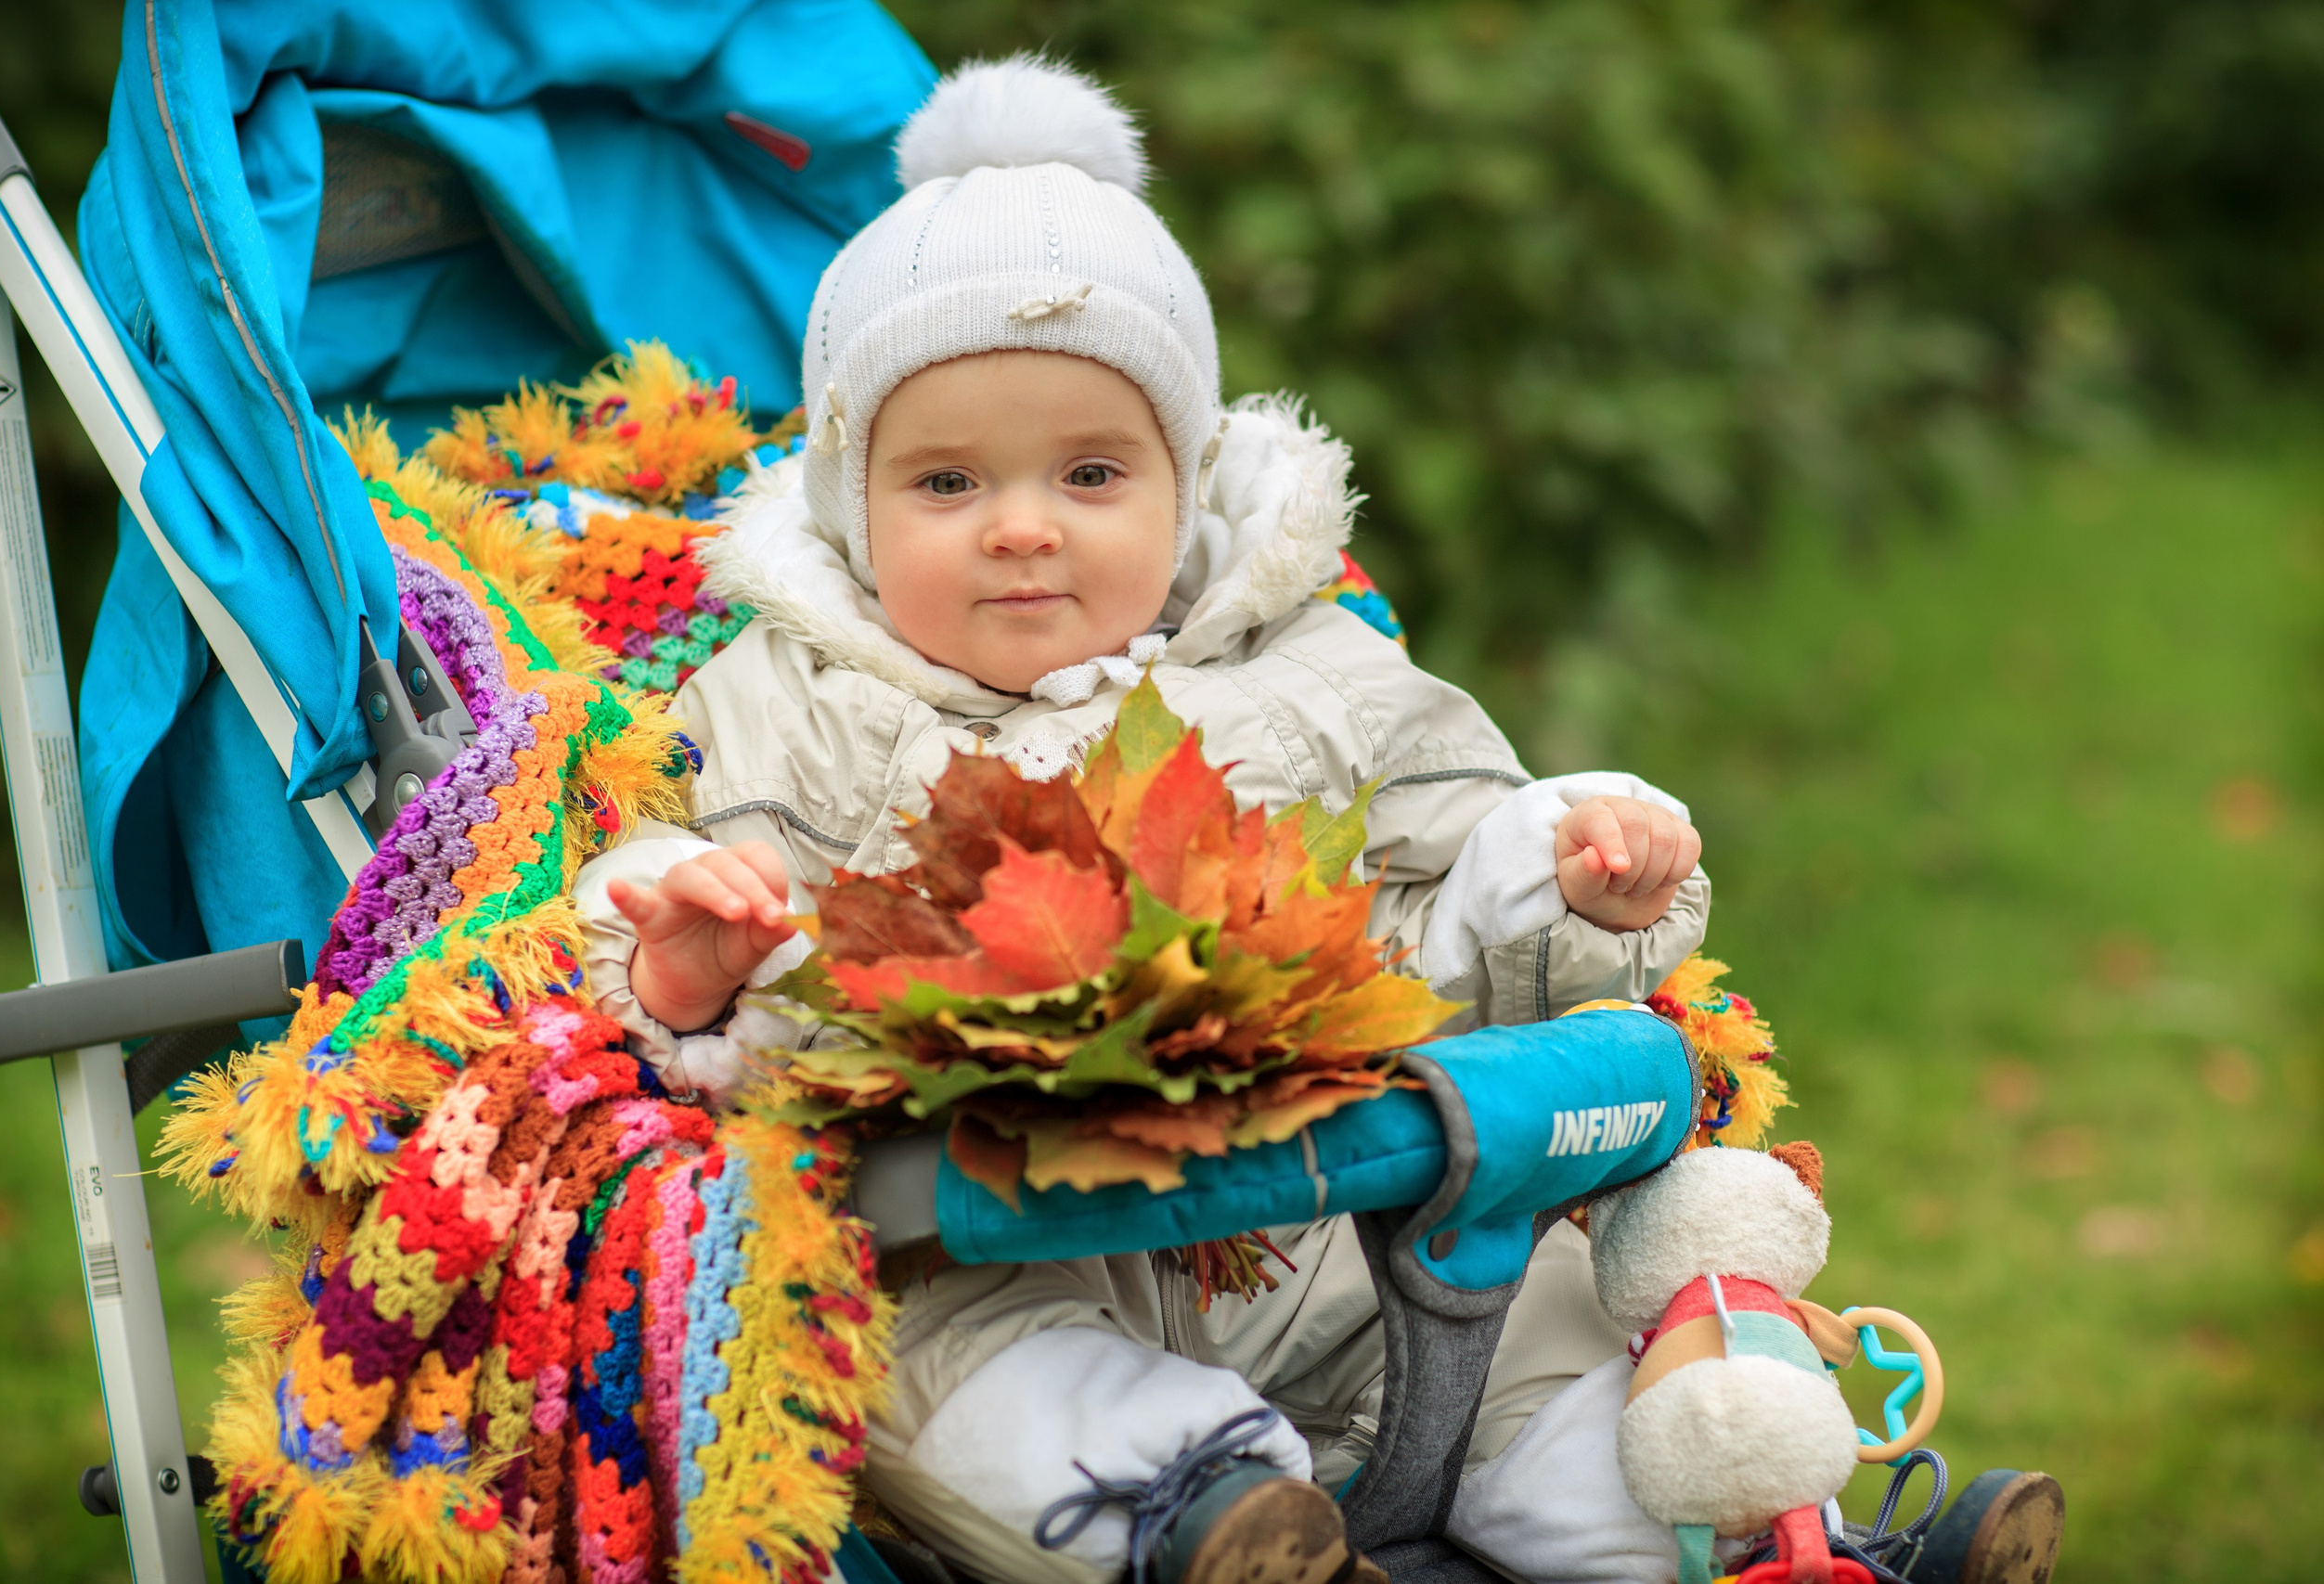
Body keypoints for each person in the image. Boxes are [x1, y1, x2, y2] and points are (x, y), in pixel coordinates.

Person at [573, 57, 2056, 1584]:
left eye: (1091, 472)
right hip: (1014, 1257)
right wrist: (687, 955)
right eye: (947, 480)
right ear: (846, 506)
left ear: (1186, 483)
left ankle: (1763, 1546)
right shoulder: (787, 704)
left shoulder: (1308, 672)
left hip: (1363, 1254)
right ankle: (1206, 1528)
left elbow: (1457, 894)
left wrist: (1574, 874)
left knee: (1563, 1372)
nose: (1023, 525)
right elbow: (645, 902)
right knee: (913, 1376)